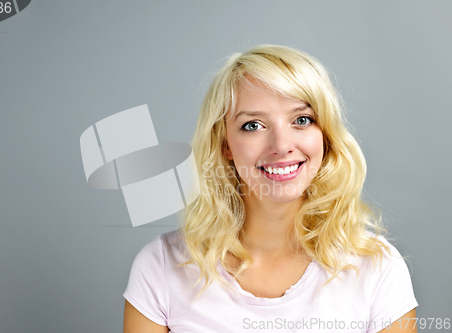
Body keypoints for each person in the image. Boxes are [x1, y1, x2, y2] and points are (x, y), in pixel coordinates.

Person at [123, 45, 418, 332]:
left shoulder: (377, 268)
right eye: (253, 125)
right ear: (225, 144)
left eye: (302, 120)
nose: (282, 145)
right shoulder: (161, 266)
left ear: (325, 135)